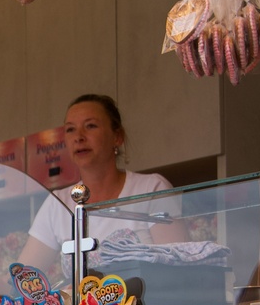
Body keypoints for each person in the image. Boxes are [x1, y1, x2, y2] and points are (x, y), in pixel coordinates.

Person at [20, 94, 177, 275]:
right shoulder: (58, 203)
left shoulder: (152, 189)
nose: (79, 137)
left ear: (117, 137)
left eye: (90, 126)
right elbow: (23, 279)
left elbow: (179, 273)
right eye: (70, 129)